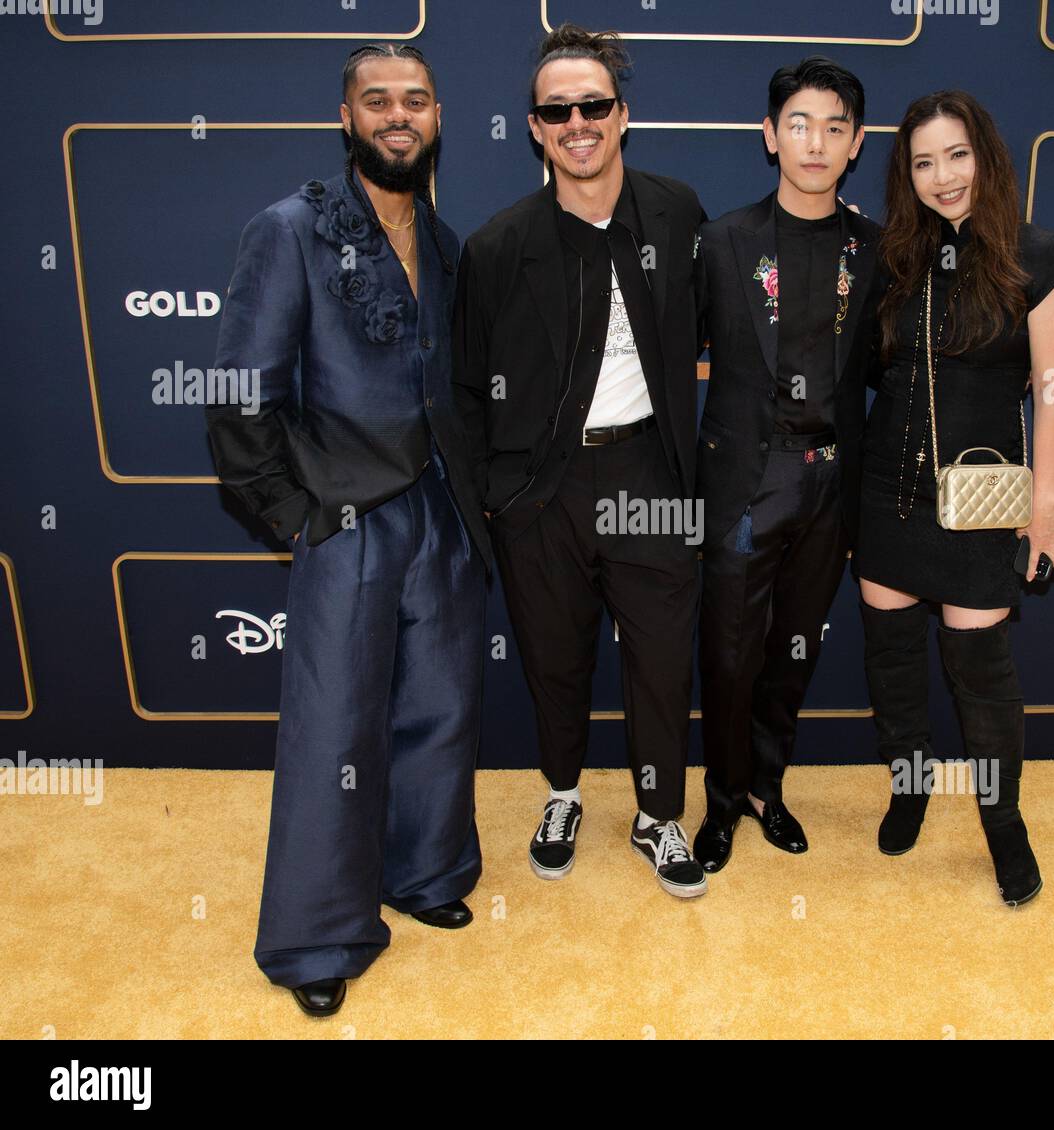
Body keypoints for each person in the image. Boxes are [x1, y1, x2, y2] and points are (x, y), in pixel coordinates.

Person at [206, 43, 492, 1016]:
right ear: (347, 118)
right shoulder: (288, 230)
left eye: (415, 99)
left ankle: (424, 871)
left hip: (441, 516)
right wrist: (293, 513)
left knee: (441, 708)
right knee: (335, 725)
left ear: (438, 116)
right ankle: (319, 932)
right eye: (378, 101)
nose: (397, 115)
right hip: (343, 516)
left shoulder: (451, 247)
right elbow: (240, 391)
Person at [452, 24, 709, 897]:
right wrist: (496, 495)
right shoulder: (496, 247)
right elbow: (461, 385)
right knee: (553, 657)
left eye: (592, 105)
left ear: (622, 115)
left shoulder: (679, 214)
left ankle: (657, 815)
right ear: (534, 127)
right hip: (541, 490)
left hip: (652, 477)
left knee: (662, 658)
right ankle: (562, 795)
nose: (577, 122)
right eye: (557, 109)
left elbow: (726, 344)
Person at [855, 90, 1054, 907]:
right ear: (905, 175)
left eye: (956, 155)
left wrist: (1043, 501)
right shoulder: (894, 258)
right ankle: (908, 784)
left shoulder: (1037, 256)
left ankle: (1004, 823)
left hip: (985, 499)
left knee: (980, 673)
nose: (942, 176)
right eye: (923, 162)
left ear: (985, 156)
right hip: (888, 490)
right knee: (892, 658)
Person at [692, 57, 884, 872]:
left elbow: (896, 367)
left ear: (856, 144)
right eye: (799, 124)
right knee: (730, 652)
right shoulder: (722, 242)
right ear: (770, 136)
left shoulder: (878, 250)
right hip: (745, 481)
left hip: (829, 483)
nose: (816, 142)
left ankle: (769, 789)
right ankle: (724, 800)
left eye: (834, 127)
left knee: (794, 646)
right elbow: (673, 363)